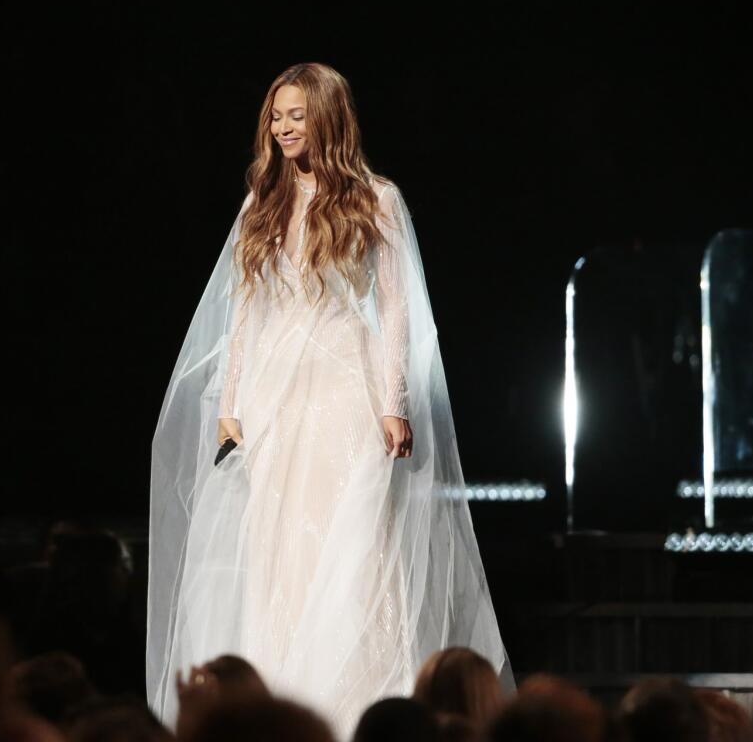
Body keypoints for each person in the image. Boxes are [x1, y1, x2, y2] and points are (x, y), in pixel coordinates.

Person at [148, 62, 511, 737]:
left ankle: (363, 710)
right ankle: (283, 708)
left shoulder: (377, 198)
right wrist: (231, 402)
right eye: (276, 116)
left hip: (346, 387)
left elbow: (397, 308)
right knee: (279, 551)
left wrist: (392, 402)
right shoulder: (262, 198)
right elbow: (244, 312)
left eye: (296, 115)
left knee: (357, 548)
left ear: (327, 117)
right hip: (273, 399)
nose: (284, 128)